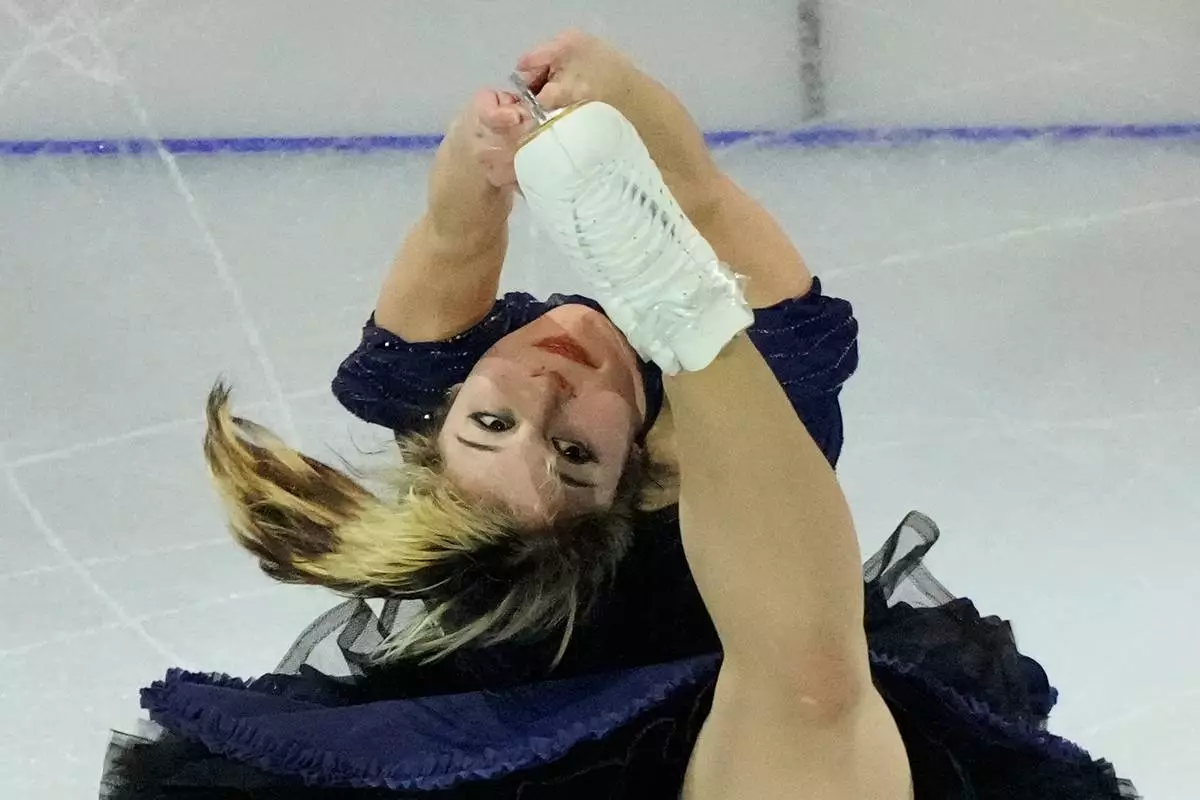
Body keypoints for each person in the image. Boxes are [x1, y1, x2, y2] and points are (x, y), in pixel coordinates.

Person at [101, 30, 1137, 800]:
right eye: (573, 451)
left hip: (699, 677)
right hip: (645, 675)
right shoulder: (705, 449)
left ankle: (681, 312)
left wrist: (479, 170)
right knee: (814, 677)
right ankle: (688, 315)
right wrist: (641, 126)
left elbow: (453, 242)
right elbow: (707, 200)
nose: (541, 393)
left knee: (812, 691)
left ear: (443, 416)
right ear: (644, 473)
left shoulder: (438, 385)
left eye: (491, 423)